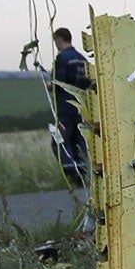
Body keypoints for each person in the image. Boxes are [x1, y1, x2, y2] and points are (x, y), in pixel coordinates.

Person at [49, 26, 90, 185]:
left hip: (65, 107)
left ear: (59, 39)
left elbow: (59, 82)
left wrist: (50, 86)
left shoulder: (62, 59)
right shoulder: (82, 59)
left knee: (60, 141)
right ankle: (83, 172)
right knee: (79, 140)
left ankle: (71, 173)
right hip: (81, 107)